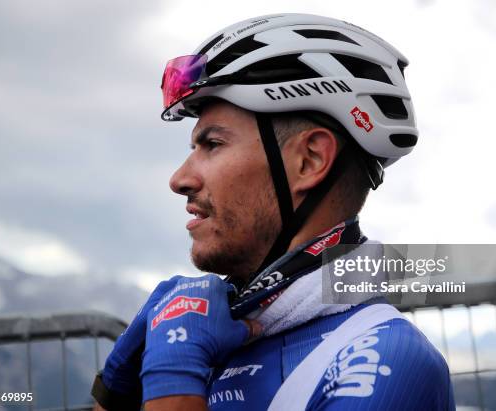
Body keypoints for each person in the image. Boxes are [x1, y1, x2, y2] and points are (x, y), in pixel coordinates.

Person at [91, 13, 455, 411]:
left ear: (309, 160)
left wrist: (172, 374)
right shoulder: (221, 336)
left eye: (212, 144)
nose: (179, 179)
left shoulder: (387, 361)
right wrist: (115, 391)